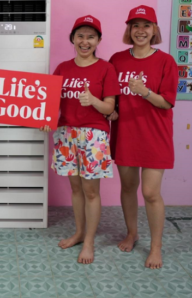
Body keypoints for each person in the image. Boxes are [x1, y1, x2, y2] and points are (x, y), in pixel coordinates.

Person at [41, 15, 119, 264]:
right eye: (81, 36)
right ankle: (79, 232)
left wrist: (93, 101)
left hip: (94, 134)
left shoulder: (106, 68)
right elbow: (51, 100)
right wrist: (46, 118)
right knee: (76, 189)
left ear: (98, 40)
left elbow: (110, 109)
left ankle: (89, 241)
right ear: (73, 39)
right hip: (66, 133)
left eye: (91, 37)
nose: (85, 41)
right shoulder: (63, 67)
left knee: (91, 192)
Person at [108, 5, 178, 269]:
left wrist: (144, 91)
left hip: (155, 136)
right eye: (135, 26)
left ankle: (156, 247)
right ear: (129, 30)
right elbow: (111, 97)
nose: (140, 31)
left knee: (150, 193)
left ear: (154, 30)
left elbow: (167, 103)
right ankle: (132, 233)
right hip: (126, 134)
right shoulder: (117, 60)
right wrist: (112, 111)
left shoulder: (166, 61)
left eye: (146, 26)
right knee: (127, 188)